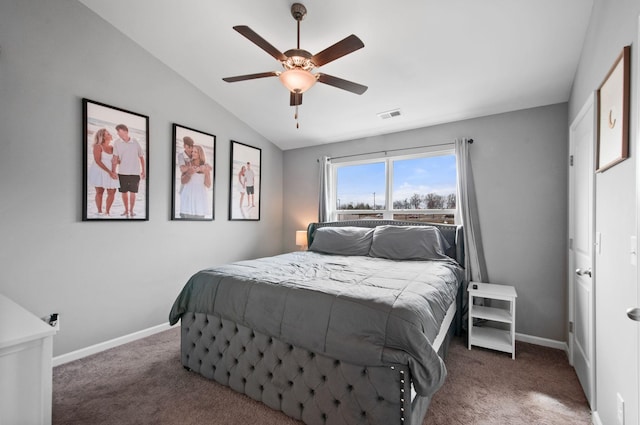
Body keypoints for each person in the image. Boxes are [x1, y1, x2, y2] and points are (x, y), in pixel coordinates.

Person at [112, 124, 145, 218]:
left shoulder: (135, 142)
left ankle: (131, 211)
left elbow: (141, 157)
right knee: (124, 192)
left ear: (125, 131)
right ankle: (126, 210)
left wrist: (144, 171)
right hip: (122, 172)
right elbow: (115, 157)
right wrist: (113, 171)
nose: (118, 133)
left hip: (135, 172)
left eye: (119, 131)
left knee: (133, 192)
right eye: (117, 132)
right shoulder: (117, 143)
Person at [87, 128, 119, 217]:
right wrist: (109, 172)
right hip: (99, 171)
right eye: (108, 134)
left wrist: (114, 171)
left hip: (110, 171)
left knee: (112, 191)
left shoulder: (113, 148)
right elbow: (97, 161)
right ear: (103, 137)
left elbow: (116, 160)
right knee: (100, 192)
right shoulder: (98, 146)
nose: (110, 134)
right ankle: (99, 211)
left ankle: (107, 212)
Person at [179, 145, 212, 218]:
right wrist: (189, 173)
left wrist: (206, 172)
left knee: (199, 222)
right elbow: (182, 181)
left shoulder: (205, 167)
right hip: (188, 196)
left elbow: (208, 185)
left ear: (200, 154)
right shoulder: (187, 164)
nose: (193, 153)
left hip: (200, 198)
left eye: (195, 152)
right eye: (192, 151)